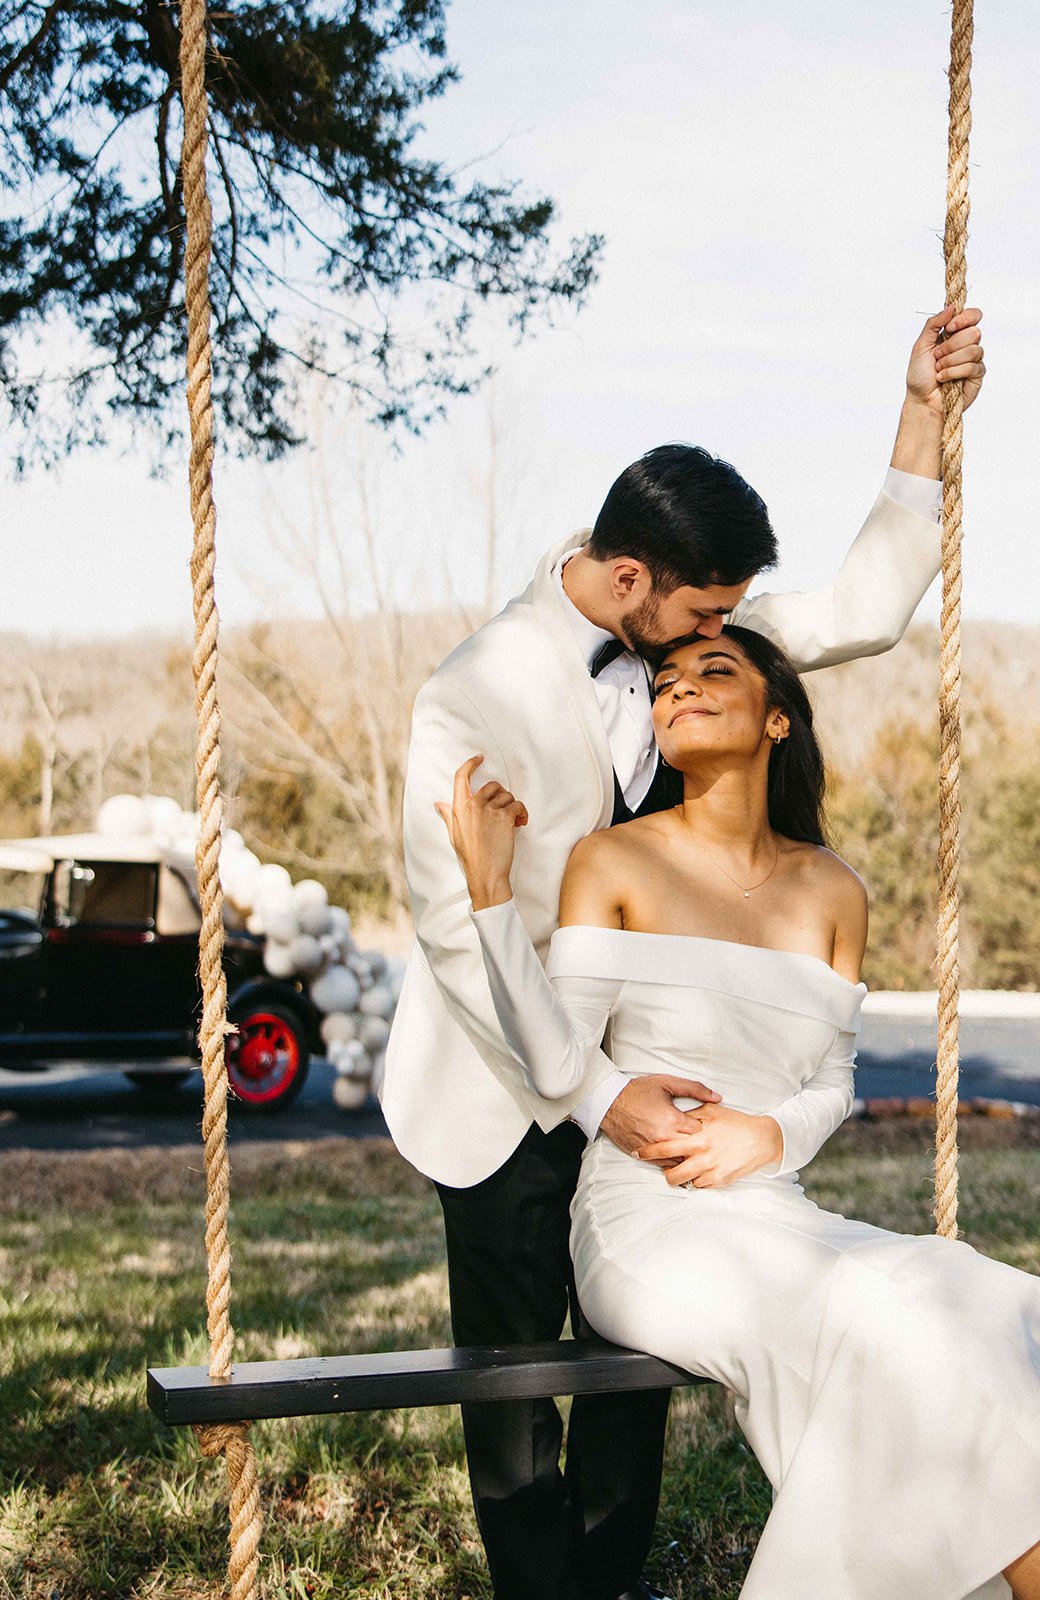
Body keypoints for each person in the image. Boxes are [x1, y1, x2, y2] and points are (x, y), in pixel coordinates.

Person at [380, 305, 986, 1600]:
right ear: (629, 580)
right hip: (499, 1083)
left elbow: (867, 604)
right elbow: (452, 926)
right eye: (709, 608)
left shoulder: (696, 645)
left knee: (632, 1384)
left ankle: (612, 1583)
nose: (730, 633)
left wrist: (924, 415)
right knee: (516, 1397)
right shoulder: (472, 692)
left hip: (650, 1060)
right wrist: (603, 1098)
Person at [434, 623, 1040, 1600]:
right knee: (884, 1312)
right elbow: (557, 1058)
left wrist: (767, 1134)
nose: (677, 688)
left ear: (775, 719)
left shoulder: (832, 889)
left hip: (777, 1208)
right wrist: (491, 896)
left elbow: (832, 1083)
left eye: (712, 671)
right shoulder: (611, 860)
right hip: (643, 1223)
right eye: (664, 680)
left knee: (965, 1289)